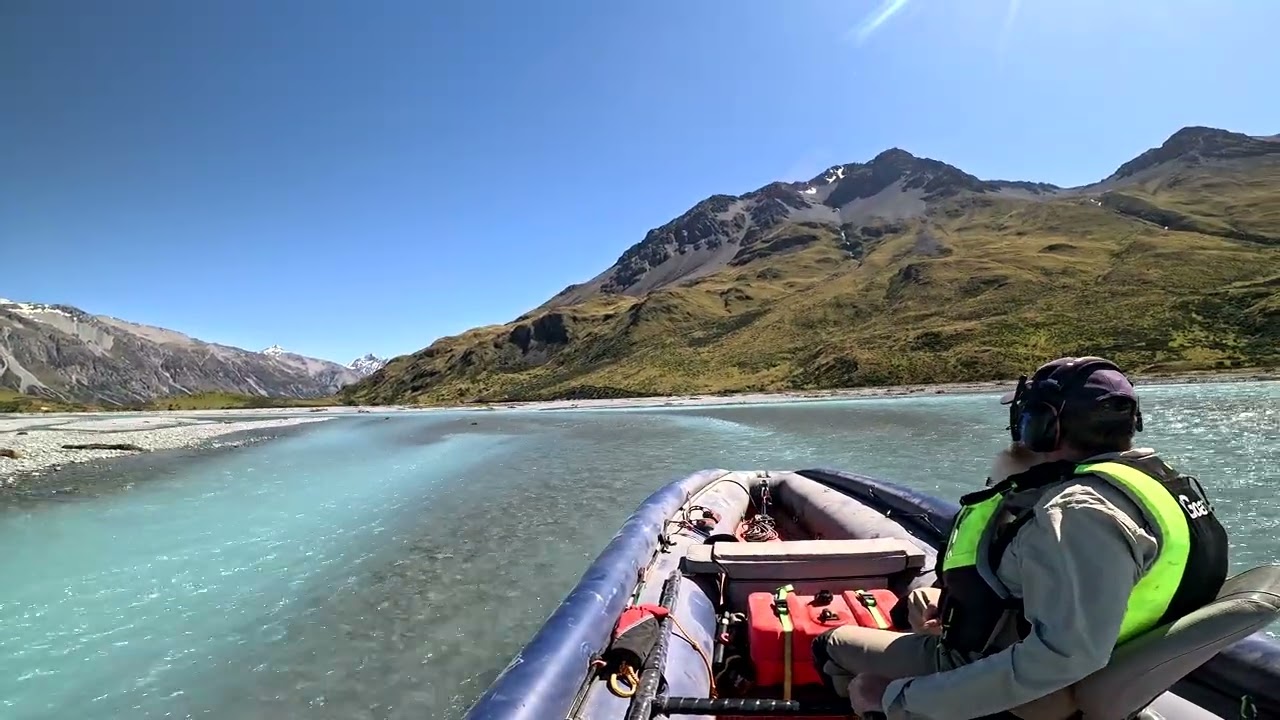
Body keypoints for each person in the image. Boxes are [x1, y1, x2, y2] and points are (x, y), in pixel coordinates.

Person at [812, 356, 1230, 720]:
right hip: (1085, 668)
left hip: (1023, 687)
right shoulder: (1156, 485)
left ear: (1043, 427)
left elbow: (1060, 657)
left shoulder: (1075, 513)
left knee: (831, 644)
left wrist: (900, 700)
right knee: (922, 601)